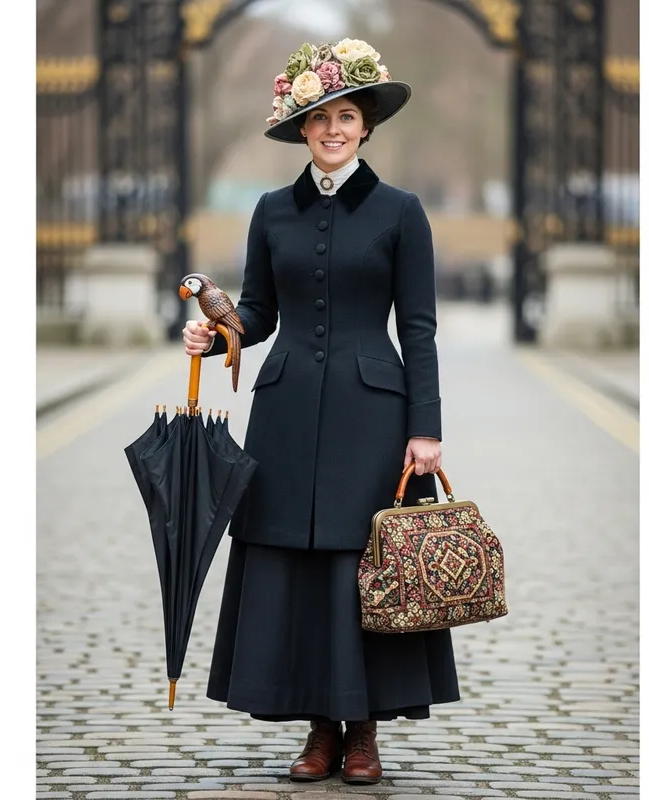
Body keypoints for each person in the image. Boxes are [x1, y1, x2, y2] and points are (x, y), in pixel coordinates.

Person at [183, 38, 460, 785]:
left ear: (366, 126)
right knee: (298, 567)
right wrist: (216, 336)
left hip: (373, 417)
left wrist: (426, 428)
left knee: (362, 564)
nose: (333, 130)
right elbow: (258, 313)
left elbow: (420, 329)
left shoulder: (402, 212)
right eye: (319, 119)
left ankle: (363, 733)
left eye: (346, 117)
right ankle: (318, 731)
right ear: (301, 129)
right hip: (286, 411)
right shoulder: (272, 211)